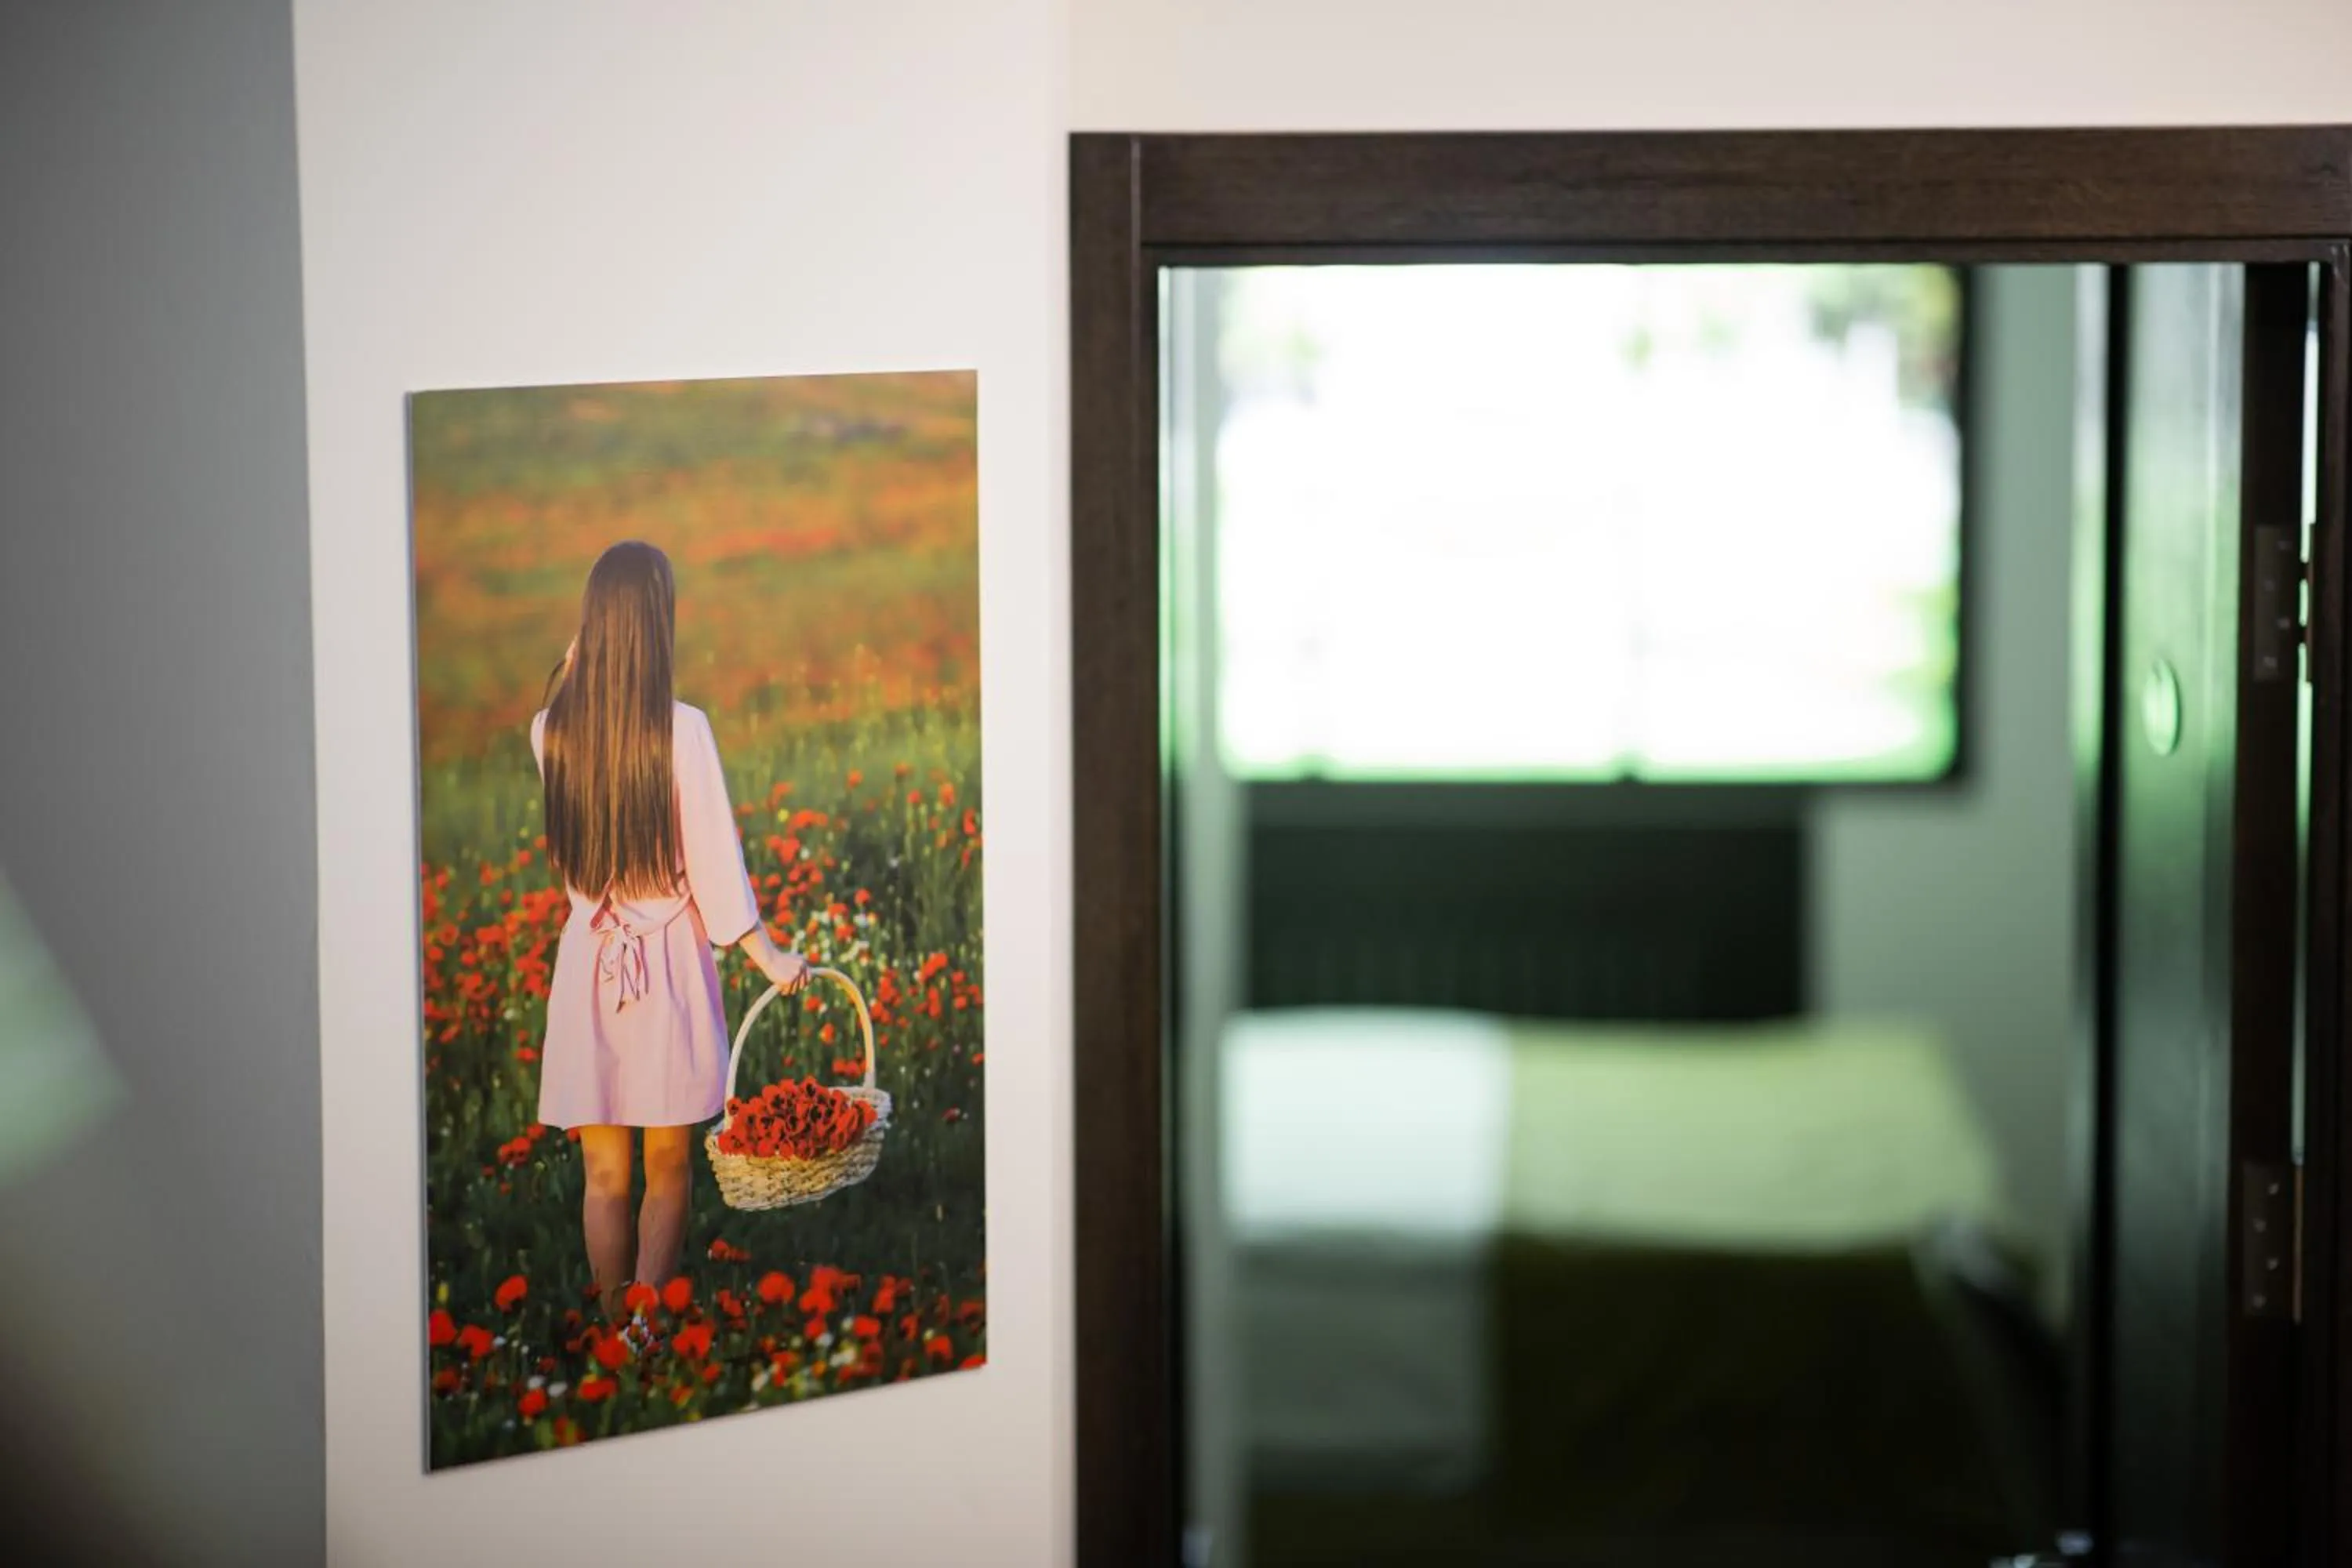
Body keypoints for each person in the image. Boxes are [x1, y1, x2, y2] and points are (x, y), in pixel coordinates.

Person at [530, 539, 809, 1327]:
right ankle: (649, 1335)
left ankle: (615, 1331)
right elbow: (717, 865)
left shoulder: (549, 732)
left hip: (590, 968)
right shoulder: (683, 731)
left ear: (593, 626)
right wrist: (768, 956)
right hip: (667, 972)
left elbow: (570, 706)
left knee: (603, 1177)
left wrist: (575, 668)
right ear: (656, 625)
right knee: (668, 1168)